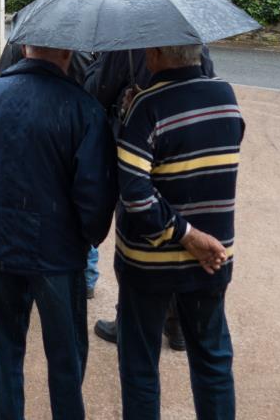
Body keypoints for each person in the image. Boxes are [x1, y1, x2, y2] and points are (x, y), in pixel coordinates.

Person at [0, 43, 116, 420]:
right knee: (66, 357)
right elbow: (94, 194)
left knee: (7, 349)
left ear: (25, 46)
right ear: (70, 54)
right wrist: (87, 236)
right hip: (57, 250)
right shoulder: (84, 108)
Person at [112, 43, 243, 420]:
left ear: (154, 55)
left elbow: (135, 194)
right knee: (212, 360)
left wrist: (185, 234)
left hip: (149, 262)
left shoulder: (146, 104)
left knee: (140, 364)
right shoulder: (226, 95)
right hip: (212, 257)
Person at [91, 46, 214, 348]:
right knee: (180, 225)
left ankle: (129, 320)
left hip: (139, 150)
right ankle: (177, 324)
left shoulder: (126, 45)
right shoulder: (194, 37)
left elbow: (96, 93)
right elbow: (206, 82)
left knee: (138, 226)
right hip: (185, 152)